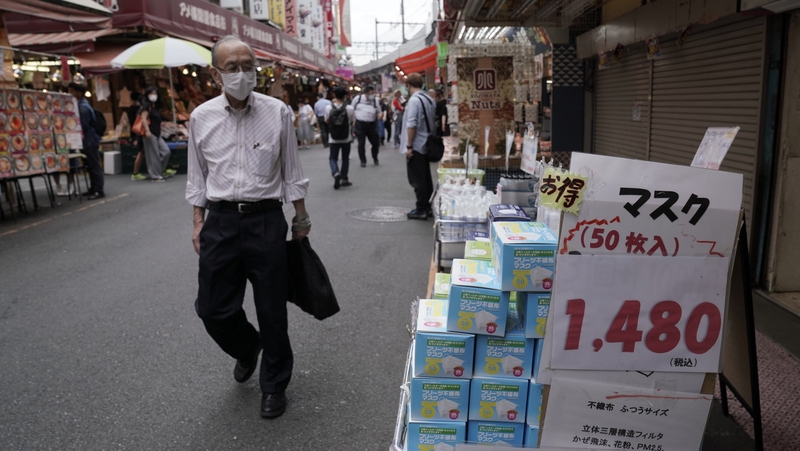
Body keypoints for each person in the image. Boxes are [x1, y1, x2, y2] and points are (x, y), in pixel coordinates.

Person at [186, 35, 310, 420]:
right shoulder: (200, 117)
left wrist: (300, 217)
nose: (242, 74)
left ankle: (274, 384)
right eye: (232, 68)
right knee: (212, 309)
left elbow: (292, 170)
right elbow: (197, 175)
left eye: (247, 66)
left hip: (266, 219)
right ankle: (247, 347)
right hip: (220, 221)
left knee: (272, 308)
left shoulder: (277, 112)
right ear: (215, 73)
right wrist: (197, 220)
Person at [400, 73, 435, 220]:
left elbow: (412, 124)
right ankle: (427, 206)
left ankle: (421, 208)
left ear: (408, 86)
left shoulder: (414, 101)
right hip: (427, 142)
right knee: (425, 177)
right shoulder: (428, 98)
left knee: (417, 179)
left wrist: (409, 146)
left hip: (417, 144)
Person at [68, 82, 104, 200]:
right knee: (90, 165)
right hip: (88, 139)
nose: (70, 93)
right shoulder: (81, 104)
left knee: (93, 165)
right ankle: (93, 188)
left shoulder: (83, 107)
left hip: (90, 139)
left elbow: (83, 125)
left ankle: (98, 189)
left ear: (79, 92)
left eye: (72, 91)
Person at [139, 87, 176, 182]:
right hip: (150, 133)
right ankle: (155, 176)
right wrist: (147, 131)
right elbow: (143, 118)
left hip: (157, 133)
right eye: (151, 93)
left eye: (155, 93)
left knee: (166, 151)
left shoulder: (154, 106)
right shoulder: (146, 105)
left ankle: (159, 171)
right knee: (153, 154)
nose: (153, 95)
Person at [324, 86, 355, 190]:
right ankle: (344, 178)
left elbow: (326, 120)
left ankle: (336, 172)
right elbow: (353, 122)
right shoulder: (349, 108)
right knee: (345, 158)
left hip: (333, 138)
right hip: (346, 138)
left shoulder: (329, 108)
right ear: (345, 96)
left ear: (334, 95)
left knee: (333, 158)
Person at [351, 85, 381, 167]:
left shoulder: (375, 101)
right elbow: (351, 109)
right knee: (361, 143)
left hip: (371, 124)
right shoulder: (358, 99)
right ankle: (363, 161)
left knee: (375, 143)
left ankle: (375, 157)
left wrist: (380, 115)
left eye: (373, 93)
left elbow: (379, 111)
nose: (372, 95)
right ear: (366, 94)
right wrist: (353, 120)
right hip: (360, 124)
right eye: (371, 94)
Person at [128, 91, 148, 181]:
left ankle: (136, 172)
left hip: (137, 133)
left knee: (141, 152)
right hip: (140, 133)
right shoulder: (138, 110)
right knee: (141, 152)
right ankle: (135, 172)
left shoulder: (134, 110)